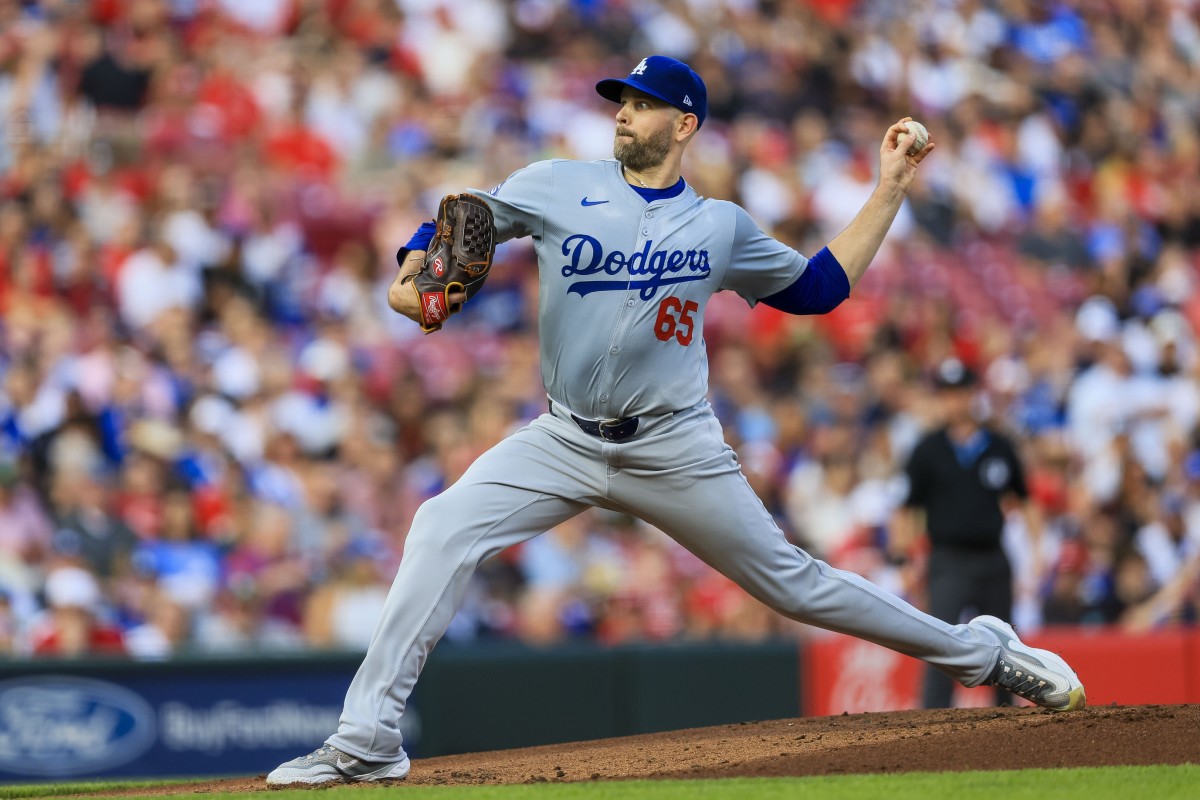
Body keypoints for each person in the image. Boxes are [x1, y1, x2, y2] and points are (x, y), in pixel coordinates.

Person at [267, 55, 1085, 786]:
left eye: (642, 103)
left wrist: (891, 187)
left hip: (672, 443)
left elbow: (819, 292)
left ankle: (987, 652)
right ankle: (368, 739)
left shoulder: (720, 226)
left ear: (683, 123)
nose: (622, 112)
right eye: (620, 101)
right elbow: (468, 217)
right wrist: (415, 266)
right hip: (563, 437)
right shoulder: (559, 182)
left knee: (793, 585)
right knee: (442, 525)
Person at [893, 358, 1042, 708]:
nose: (954, 402)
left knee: (1007, 647)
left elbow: (1025, 498)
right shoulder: (927, 449)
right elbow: (907, 507)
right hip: (947, 560)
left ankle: (1010, 726)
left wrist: (1037, 550)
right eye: (947, 394)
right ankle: (933, 725)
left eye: (960, 393)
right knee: (941, 644)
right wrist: (903, 557)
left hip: (992, 556)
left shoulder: (999, 446)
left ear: (973, 395)